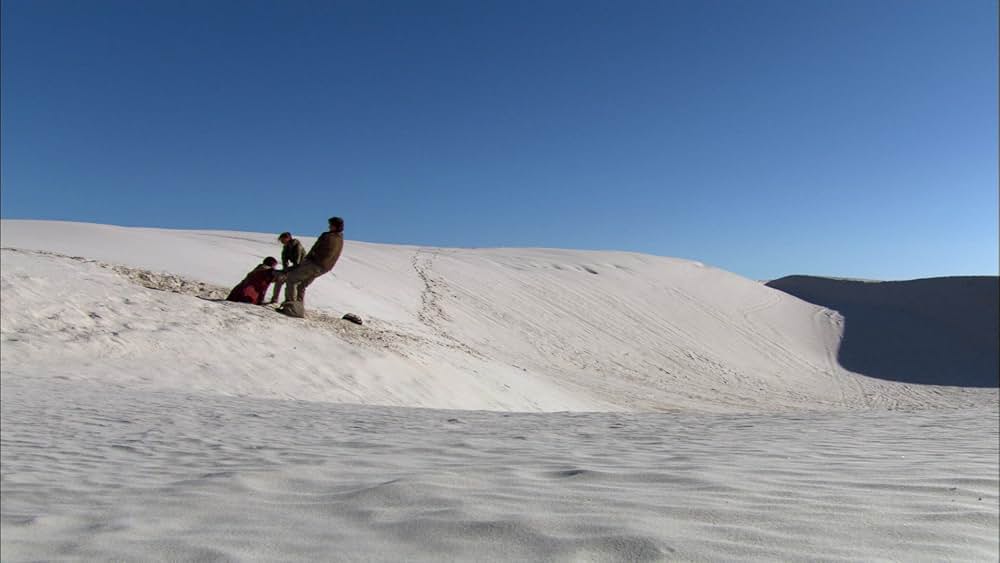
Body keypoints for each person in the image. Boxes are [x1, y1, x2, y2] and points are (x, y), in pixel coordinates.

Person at [275, 217, 345, 317]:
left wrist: (309, 260)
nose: (329, 226)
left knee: (291, 279)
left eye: (331, 224)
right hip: (325, 267)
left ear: (335, 226)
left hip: (314, 264)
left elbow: (316, 249)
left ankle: (291, 308)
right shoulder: (340, 238)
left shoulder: (327, 236)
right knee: (302, 285)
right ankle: (298, 309)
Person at [268, 232, 306, 304]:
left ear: (287, 238)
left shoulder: (297, 246)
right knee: (280, 279)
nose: (281, 242)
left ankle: (296, 303)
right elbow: (284, 260)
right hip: (294, 268)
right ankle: (274, 300)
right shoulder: (286, 247)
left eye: (282, 240)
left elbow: (297, 263)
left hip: (302, 269)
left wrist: (287, 270)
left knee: (297, 286)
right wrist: (285, 270)